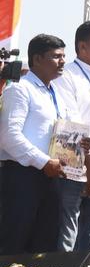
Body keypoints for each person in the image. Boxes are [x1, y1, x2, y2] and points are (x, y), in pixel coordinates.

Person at [0, 34, 76, 253]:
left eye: (63, 56)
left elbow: (59, 134)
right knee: (14, 243)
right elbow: (8, 136)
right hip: (21, 177)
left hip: (51, 177)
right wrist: (43, 162)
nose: (62, 62)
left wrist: (78, 146)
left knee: (44, 246)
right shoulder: (20, 89)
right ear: (37, 59)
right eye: (56, 56)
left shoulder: (57, 95)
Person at [55, 20, 90, 254]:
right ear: (82, 46)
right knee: (66, 238)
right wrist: (88, 164)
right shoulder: (67, 75)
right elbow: (70, 125)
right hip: (73, 168)